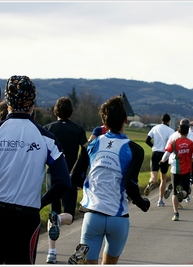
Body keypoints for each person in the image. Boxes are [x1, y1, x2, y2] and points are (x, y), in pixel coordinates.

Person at [0, 75, 71, 264]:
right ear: (32, 103)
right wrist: (41, 202)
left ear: (8, 101)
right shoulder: (47, 138)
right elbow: (63, 182)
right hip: (26, 215)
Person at [69, 95, 150, 264]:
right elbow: (130, 184)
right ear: (126, 120)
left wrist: (82, 185)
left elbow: (75, 175)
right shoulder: (134, 149)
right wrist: (141, 202)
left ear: (104, 122)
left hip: (93, 215)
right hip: (118, 217)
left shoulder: (91, 144)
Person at [43, 97, 88, 264]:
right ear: (71, 112)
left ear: (55, 111)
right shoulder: (78, 129)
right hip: (70, 175)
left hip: (51, 175)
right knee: (68, 214)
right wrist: (82, 175)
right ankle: (59, 220)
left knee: (53, 212)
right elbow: (86, 152)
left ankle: (51, 253)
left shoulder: (47, 129)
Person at [160, 123, 193, 221]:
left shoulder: (174, 142)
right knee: (186, 191)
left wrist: (162, 161)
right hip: (186, 170)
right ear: (187, 132)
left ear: (178, 131)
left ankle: (176, 213)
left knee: (174, 192)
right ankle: (182, 193)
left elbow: (166, 155)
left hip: (175, 170)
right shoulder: (191, 143)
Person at [164, 118, 193, 209]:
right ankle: (182, 195)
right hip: (185, 162)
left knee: (176, 180)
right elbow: (191, 147)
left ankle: (172, 188)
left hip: (173, 161)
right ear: (189, 126)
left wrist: (163, 160)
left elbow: (167, 148)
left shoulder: (173, 134)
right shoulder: (191, 135)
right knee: (186, 184)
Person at [144, 113, 175, 206]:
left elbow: (147, 140)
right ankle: (160, 200)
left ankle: (151, 183)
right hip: (164, 154)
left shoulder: (155, 128)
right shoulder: (171, 131)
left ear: (161, 120)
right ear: (169, 121)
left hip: (155, 153)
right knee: (163, 178)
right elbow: (172, 144)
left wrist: (153, 147)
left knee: (153, 176)